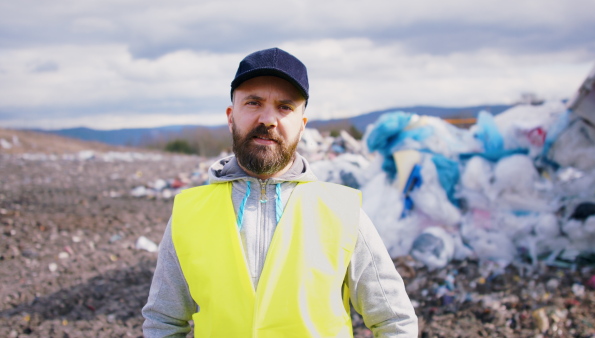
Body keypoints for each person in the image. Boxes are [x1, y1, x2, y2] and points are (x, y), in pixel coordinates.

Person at [142, 47, 418, 337]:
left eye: (285, 107)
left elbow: (394, 321)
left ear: (302, 125)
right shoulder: (190, 214)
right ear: (230, 116)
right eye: (253, 102)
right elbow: (163, 322)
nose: (268, 119)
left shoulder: (343, 213)